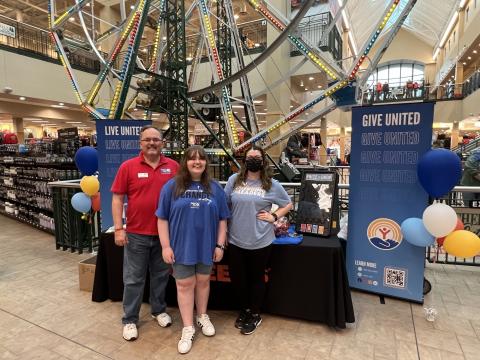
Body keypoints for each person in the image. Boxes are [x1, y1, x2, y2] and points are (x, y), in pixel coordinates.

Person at [156, 145, 229, 354]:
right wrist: (166, 246)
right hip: (180, 247)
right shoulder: (171, 187)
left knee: (204, 281)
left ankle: (202, 316)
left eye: (201, 159)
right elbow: (162, 219)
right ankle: (188, 327)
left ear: (206, 163)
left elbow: (223, 219)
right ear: (185, 162)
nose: (197, 162)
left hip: (206, 246)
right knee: (184, 284)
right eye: (192, 159)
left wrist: (219, 244)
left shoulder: (215, 188)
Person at [111, 125, 179, 341]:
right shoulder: (128, 167)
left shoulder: (174, 167)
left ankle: (158, 310)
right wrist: (119, 229)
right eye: (147, 140)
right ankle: (130, 319)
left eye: (156, 140)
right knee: (133, 279)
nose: (152, 143)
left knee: (160, 276)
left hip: (164, 236)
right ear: (140, 143)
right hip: (136, 234)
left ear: (162, 143)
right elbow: (117, 199)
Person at [224, 145, 293, 335]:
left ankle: (255, 313)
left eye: (257, 157)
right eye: (250, 157)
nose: (253, 159)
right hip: (236, 239)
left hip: (261, 240)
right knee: (239, 279)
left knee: (256, 279)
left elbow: (288, 204)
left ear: (263, 161)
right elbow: (224, 205)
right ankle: (244, 310)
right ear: (244, 161)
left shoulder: (271, 184)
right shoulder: (234, 180)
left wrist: (274, 216)